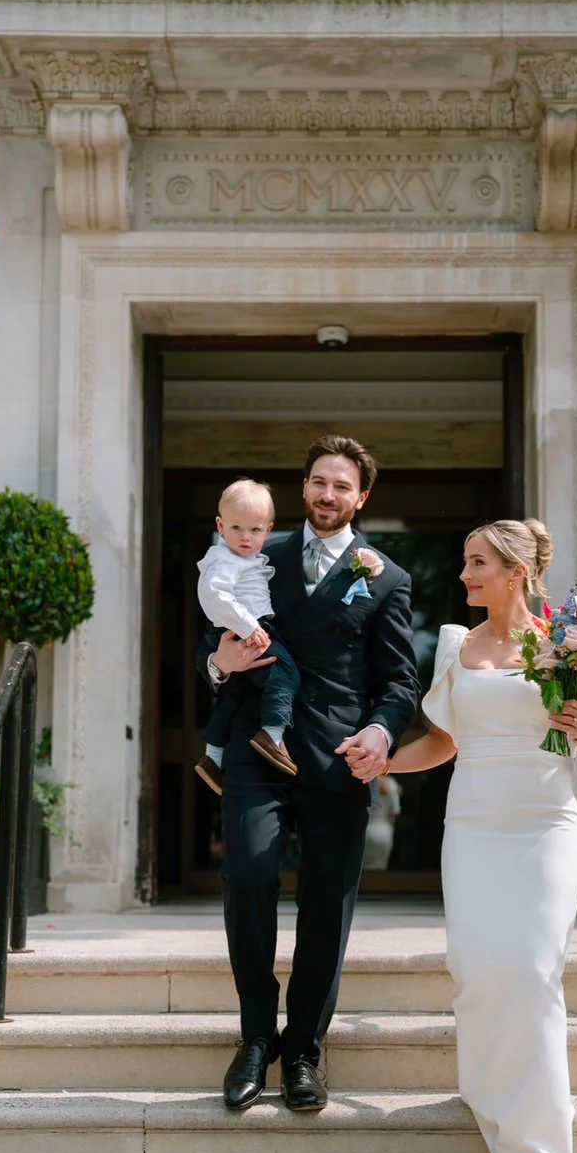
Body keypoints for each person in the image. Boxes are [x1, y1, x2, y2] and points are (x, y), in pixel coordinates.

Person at [378, 519, 577, 1153]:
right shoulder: (455, 644)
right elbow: (441, 743)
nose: (463, 575)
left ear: (516, 571)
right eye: (463, 562)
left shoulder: (570, 644)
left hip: (546, 825)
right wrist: (380, 761)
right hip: (474, 826)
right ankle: (492, 1094)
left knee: (533, 970)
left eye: (477, 563)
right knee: (479, 970)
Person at [196, 434, 420, 1113]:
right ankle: (256, 1039)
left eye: (342, 485)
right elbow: (217, 639)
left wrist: (382, 733)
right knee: (251, 874)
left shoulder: (386, 577)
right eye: (319, 481)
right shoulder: (258, 552)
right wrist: (217, 667)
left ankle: (305, 1050)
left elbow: (400, 681)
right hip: (255, 747)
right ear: (304, 487)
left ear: (362, 497)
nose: (328, 494)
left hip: (336, 758)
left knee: (327, 901)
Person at [194, 478, 302, 794]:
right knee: (285, 673)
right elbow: (214, 595)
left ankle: (213, 756)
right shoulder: (223, 558)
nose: (245, 537)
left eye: (254, 530)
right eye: (237, 528)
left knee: (233, 694)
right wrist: (248, 627)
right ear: (220, 525)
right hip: (245, 630)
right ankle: (273, 733)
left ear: (268, 530)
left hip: (244, 628)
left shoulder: (248, 559)